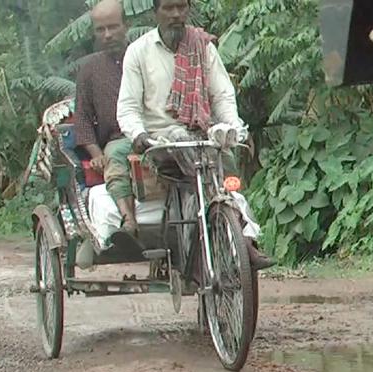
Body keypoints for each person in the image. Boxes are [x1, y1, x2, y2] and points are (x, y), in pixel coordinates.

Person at [115, 0, 273, 269]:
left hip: (203, 134)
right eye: (168, 8)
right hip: (162, 143)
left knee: (229, 170)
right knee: (189, 150)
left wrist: (231, 125)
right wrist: (139, 134)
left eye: (181, 7)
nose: (176, 14)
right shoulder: (138, 52)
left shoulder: (203, 46)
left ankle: (243, 236)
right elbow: (128, 107)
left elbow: (222, 95)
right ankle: (233, 241)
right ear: (156, 12)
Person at [73, 0, 130, 267]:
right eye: (100, 29)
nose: (107, 35)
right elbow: (82, 119)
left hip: (150, 136)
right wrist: (96, 154)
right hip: (114, 144)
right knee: (115, 162)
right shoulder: (88, 70)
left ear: (125, 25)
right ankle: (126, 220)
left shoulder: (141, 56)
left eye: (113, 27)